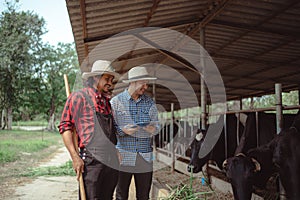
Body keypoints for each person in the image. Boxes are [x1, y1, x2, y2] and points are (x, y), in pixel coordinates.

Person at [58, 60, 119, 200]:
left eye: (112, 79)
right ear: (96, 77)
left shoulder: (106, 102)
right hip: (92, 161)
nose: (110, 83)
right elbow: (65, 127)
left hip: (111, 160)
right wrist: (75, 157)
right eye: (107, 79)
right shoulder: (79, 97)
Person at [110, 66, 159, 200]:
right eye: (143, 83)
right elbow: (109, 130)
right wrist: (122, 130)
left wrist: (153, 129)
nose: (146, 86)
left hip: (145, 156)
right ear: (133, 82)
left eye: (147, 83)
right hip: (123, 156)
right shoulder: (116, 102)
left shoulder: (149, 103)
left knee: (144, 196)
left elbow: (157, 125)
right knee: (121, 194)